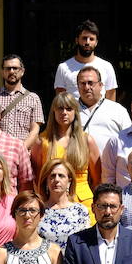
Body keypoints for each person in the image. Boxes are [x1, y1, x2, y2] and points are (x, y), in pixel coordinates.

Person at [31, 92, 101, 221]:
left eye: (69, 109)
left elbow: (97, 180)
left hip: (83, 202)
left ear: (75, 112)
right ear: (53, 111)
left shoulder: (87, 140)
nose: (64, 112)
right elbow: (37, 178)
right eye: (60, 108)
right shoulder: (42, 141)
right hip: (52, 203)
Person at [0, 54, 44, 149]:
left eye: (15, 68)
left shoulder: (33, 98)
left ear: (22, 71)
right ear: (2, 72)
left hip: (24, 153)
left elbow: (35, 130)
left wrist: (20, 150)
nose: (11, 71)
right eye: (8, 68)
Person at [55, 19, 118, 100]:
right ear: (77, 40)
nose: (87, 42)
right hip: (74, 112)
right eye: (84, 38)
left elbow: (111, 99)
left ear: (96, 43)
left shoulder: (107, 67)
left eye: (91, 39)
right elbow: (60, 101)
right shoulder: (63, 68)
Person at [75, 66, 131, 155]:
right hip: (77, 167)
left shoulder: (118, 110)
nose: (87, 87)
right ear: (78, 86)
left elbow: (129, 141)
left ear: (101, 86)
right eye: (82, 83)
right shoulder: (69, 110)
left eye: (90, 83)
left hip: (109, 167)